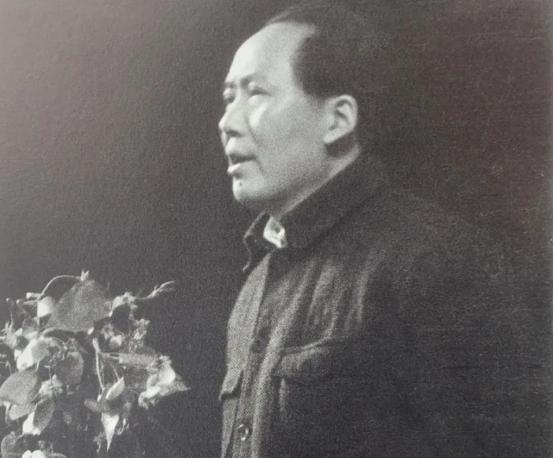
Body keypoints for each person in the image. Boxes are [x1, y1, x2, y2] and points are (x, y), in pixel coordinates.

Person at [218, 2, 546, 457]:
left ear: (337, 120)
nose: (227, 123)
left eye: (255, 93)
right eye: (228, 98)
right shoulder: (256, 283)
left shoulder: (434, 261)